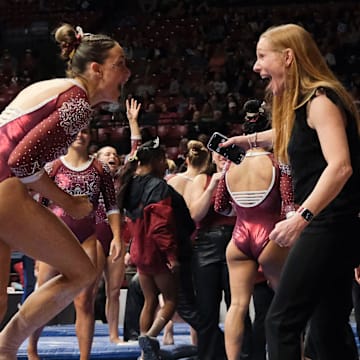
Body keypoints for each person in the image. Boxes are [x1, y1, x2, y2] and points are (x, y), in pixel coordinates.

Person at [221, 23, 360, 360]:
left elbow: (340, 166)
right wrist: (247, 140)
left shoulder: (321, 100)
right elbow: (289, 132)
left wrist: (301, 218)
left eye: (261, 56)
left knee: (282, 322)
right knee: (328, 331)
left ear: (287, 57)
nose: (255, 66)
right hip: (334, 226)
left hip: (328, 226)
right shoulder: (306, 105)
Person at [0, 22, 130, 359]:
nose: (127, 74)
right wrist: (68, 202)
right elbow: (22, 161)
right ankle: (7, 346)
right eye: (121, 65)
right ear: (96, 68)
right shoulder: (77, 103)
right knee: (82, 271)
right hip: (4, 184)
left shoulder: (56, 88)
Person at [27, 126, 122, 360]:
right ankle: (31, 351)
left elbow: (112, 206)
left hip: (86, 238)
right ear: (67, 136)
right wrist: (37, 245)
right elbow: (39, 207)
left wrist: (118, 237)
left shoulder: (100, 168)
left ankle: (84, 357)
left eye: (85, 132)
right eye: (76, 132)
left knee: (85, 300)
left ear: (91, 136)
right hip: (54, 237)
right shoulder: (53, 166)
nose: (80, 135)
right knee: (43, 297)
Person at [213, 98, 293, 360]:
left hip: (239, 237)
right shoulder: (277, 159)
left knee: (237, 305)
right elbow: (289, 200)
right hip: (270, 235)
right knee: (287, 303)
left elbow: (220, 207)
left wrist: (243, 207)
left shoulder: (230, 164)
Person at [117, 138, 179, 360]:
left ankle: (145, 354)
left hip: (138, 251)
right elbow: (160, 225)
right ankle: (151, 336)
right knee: (171, 299)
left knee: (150, 299)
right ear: (156, 160)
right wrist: (171, 255)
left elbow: (125, 223)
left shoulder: (129, 183)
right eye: (163, 160)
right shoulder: (158, 186)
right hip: (155, 250)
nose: (165, 164)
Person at [94, 97, 142, 344]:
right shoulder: (88, 176)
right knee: (89, 291)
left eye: (114, 154)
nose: (112, 156)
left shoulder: (122, 179)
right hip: (93, 238)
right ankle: (87, 333)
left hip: (114, 239)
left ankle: (114, 335)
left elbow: (135, 152)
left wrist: (133, 122)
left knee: (114, 290)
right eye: (106, 154)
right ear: (96, 158)